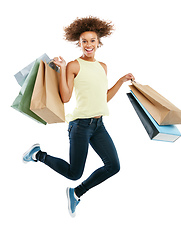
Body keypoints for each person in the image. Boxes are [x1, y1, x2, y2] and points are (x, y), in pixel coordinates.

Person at [23, 16, 135, 217]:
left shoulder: (103, 67)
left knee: (114, 166)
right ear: (79, 43)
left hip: (99, 125)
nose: (89, 45)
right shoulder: (74, 65)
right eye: (84, 41)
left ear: (98, 42)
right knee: (74, 173)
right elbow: (65, 98)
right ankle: (38, 155)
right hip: (80, 126)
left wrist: (121, 80)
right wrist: (64, 68)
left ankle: (76, 193)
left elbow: (103, 98)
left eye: (92, 41)